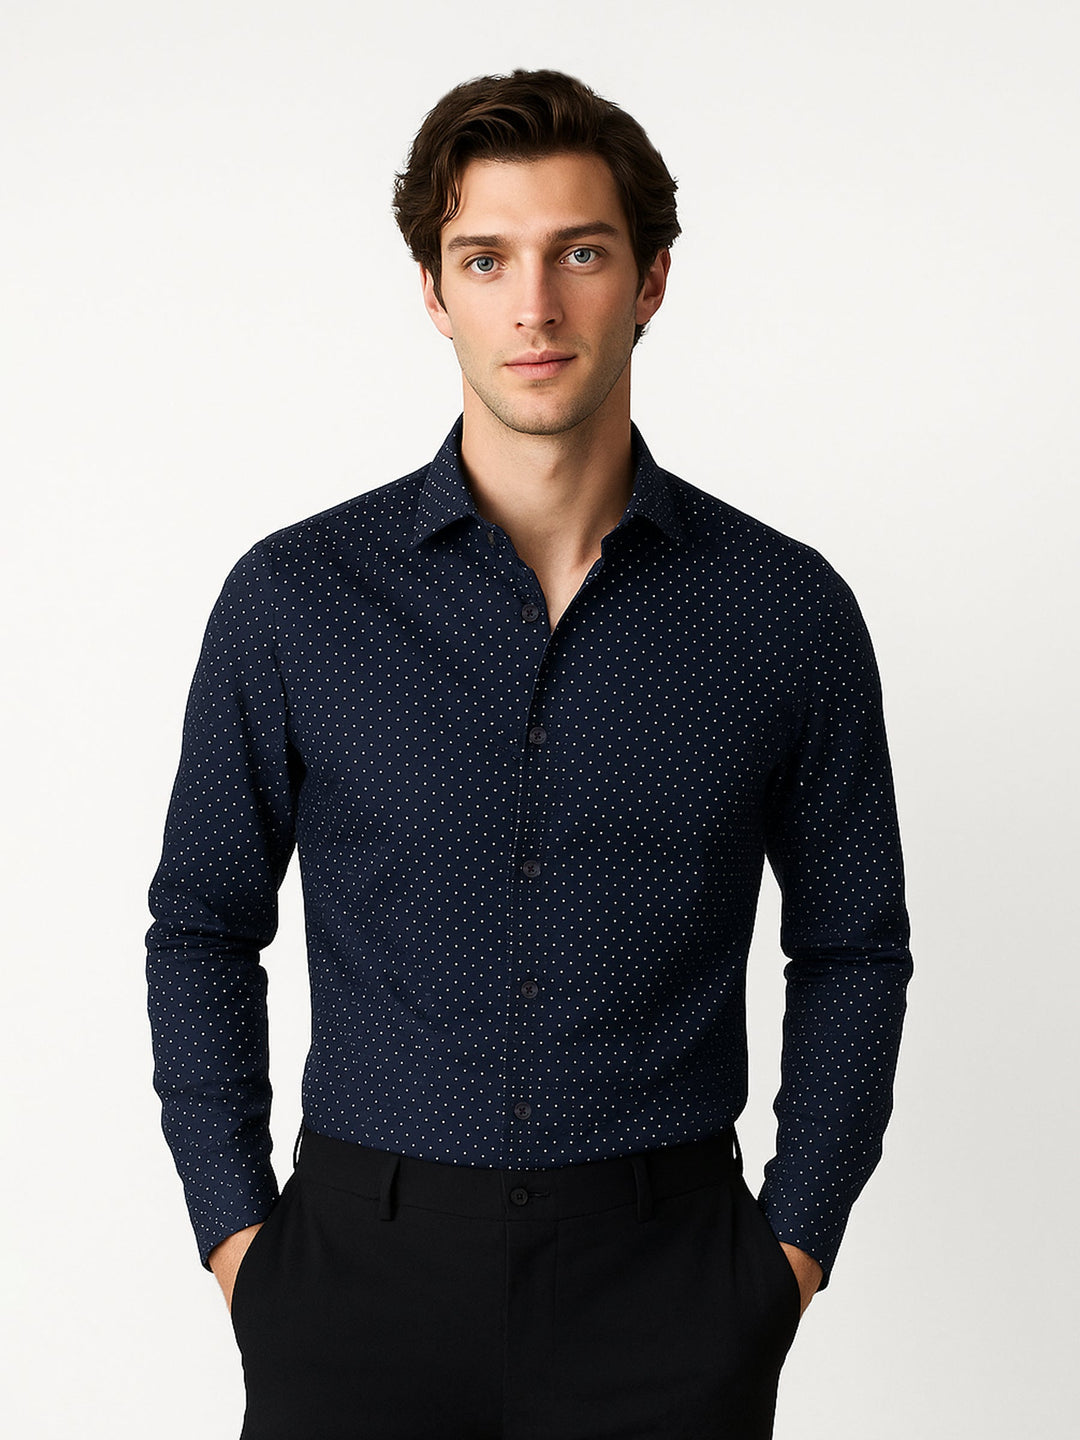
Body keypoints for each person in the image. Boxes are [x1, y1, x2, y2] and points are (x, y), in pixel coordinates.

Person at [146, 68, 912, 1440]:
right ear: (435, 293)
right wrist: (239, 1241)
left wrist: (788, 1253)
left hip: (670, 1289)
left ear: (652, 280)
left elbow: (854, 945)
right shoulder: (297, 599)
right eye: (486, 258)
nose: (535, 307)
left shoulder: (784, 611)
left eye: (581, 253)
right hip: (356, 1284)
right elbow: (201, 921)